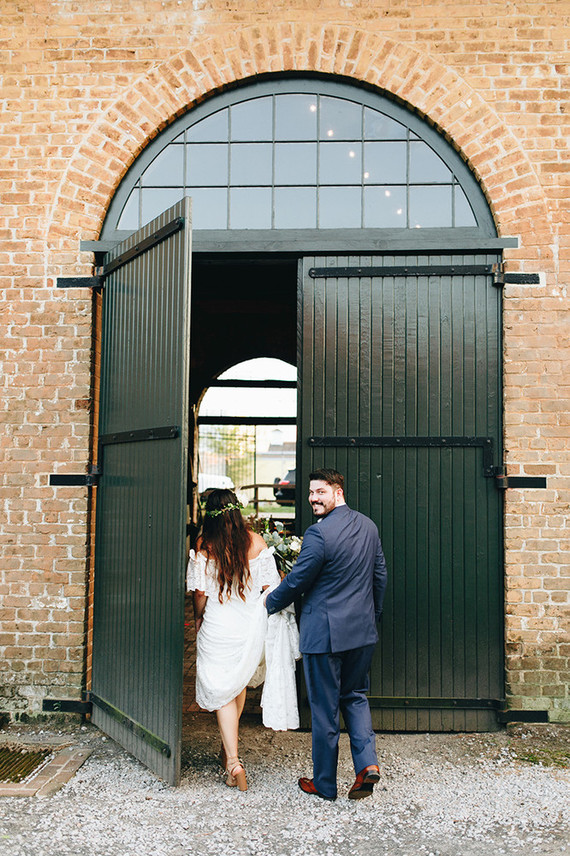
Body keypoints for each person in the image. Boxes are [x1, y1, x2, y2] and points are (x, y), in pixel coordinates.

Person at [265, 467, 387, 801]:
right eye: (311, 493)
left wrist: (269, 602)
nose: (313, 498)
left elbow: (297, 581)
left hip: (325, 636)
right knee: (355, 696)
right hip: (362, 633)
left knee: (324, 708)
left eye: (320, 492)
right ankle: (366, 765)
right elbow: (380, 578)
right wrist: (370, 619)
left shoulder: (319, 535)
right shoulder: (368, 526)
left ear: (338, 491)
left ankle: (324, 784)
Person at [186, 488, 281, 792]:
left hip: (219, 624)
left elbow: (199, 593)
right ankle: (230, 746)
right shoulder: (256, 542)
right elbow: (271, 586)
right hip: (247, 625)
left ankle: (233, 761)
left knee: (225, 690)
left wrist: (199, 616)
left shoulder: (205, 545)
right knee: (235, 684)